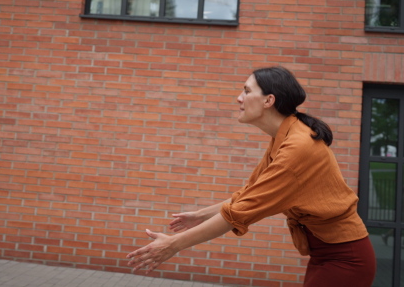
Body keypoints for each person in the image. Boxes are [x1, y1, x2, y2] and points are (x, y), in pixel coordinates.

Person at [127, 66, 376, 286]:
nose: (239, 98)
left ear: (268, 100)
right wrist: (200, 216)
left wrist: (172, 244)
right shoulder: (285, 137)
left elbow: (240, 212)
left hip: (346, 258)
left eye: (246, 91)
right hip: (327, 254)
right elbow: (249, 193)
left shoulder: (297, 148)